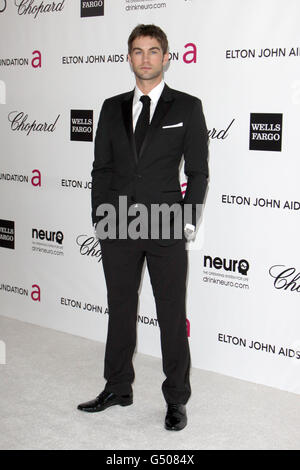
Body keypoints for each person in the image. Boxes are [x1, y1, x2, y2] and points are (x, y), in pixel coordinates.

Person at [77, 24, 209, 431]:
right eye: (138, 51)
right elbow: (101, 168)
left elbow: (199, 173)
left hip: (166, 224)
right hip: (117, 224)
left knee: (171, 314)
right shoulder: (110, 107)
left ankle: (176, 400)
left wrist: (185, 221)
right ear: (129, 57)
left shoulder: (187, 107)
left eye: (154, 51)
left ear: (167, 57)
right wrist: (101, 217)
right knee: (119, 308)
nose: (146, 58)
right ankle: (118, 386)